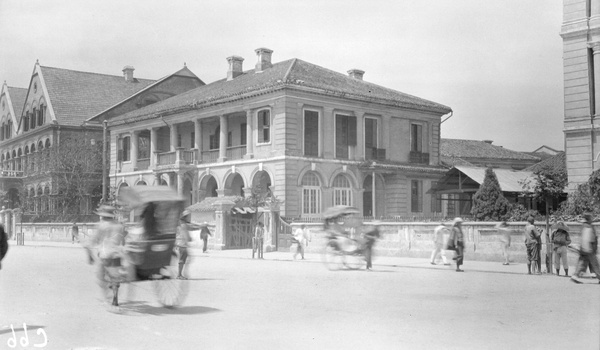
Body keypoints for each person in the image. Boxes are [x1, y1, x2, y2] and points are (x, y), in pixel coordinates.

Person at [86, 205, 128, 307]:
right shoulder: (119, 226)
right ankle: (115, 298)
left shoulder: (101, 225)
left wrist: (89, 253)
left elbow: (93, 241)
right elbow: (123, 241)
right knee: (115, 277)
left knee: (100, 277)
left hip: (105, 255)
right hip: (117, 255)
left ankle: (106, 298)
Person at [571, 213, 600, 284]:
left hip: (584, 248)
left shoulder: (583, 226)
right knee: (595, 264)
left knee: (581, 263)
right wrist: (591, 248)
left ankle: (575, 275)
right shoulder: (589, 226)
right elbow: (588, 238)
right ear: (588, 219)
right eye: (591, 218)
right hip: (589, 248)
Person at [175, 210, 193, 280]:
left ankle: (181, 274)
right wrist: (189, 239)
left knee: (184, 259)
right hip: (182, 244)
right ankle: (179, 275)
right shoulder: (183, 225)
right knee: (182, 260)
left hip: (180, 243)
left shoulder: (180, 224)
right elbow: (186, 235)